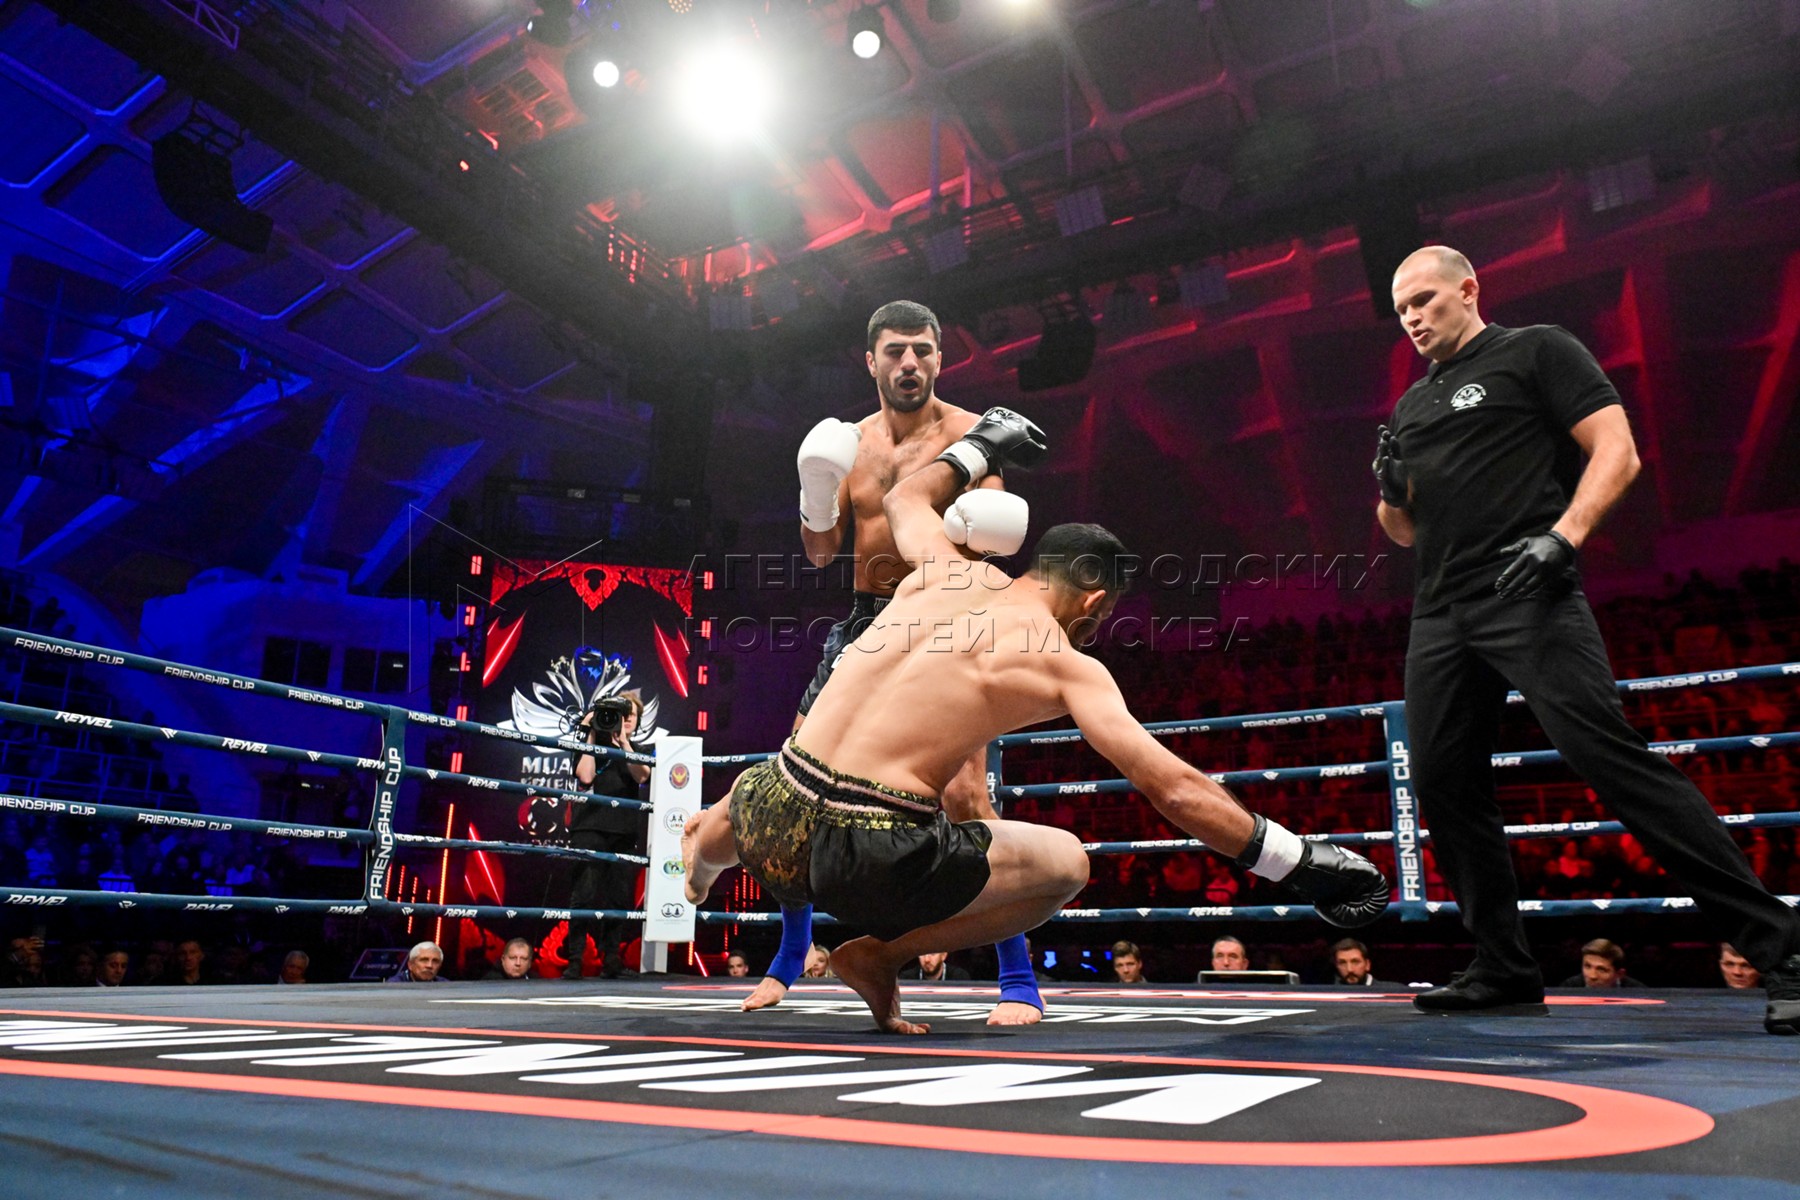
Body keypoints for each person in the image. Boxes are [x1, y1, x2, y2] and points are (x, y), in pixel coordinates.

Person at [684, 427, 1389, 1034]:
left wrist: (979, 446)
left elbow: (904, 499)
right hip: (869, 862)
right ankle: (880, 954)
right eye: (1101, 617)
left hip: (768, 816)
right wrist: (1297, 861)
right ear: (1092, 599)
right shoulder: (1064, 663)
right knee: (1066, 864)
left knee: (770, 785)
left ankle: (704, 859)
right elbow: (1172, 788)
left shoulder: (940, 568)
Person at [1376, 246, 1800, 1034]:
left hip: (1529, 589)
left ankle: (1786, 952)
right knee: (1441, 782)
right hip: (1440, 611)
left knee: (1611, 760)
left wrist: (1564, 537)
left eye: (1425, 300)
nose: (1413, 319)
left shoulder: (1536, 349)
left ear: (1468, 289)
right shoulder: (1410, 405)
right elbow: (1402, 531)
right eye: (1402, 310)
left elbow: (1617, 449)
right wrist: (1390, 490)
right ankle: (1502, 966)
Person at [747, 299, 1029, 1022]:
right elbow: (821, 553)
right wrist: (815, 494)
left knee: (965, 798)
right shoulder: (845, 445)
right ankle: (789, 957)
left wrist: (967, 527)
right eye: (896, 351)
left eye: (923, 350)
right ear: (870, 360)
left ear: (940, 357)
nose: (910, 363)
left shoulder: (972, 435)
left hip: (946, 618)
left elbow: (998, 541)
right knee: (793, 789)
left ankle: (1017, 979)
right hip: (866, 620)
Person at [564, 692, 651, 979]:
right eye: (619, 715)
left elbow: (642, 776)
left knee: (618, 898)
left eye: (630, 715)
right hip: (589, 827)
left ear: (637, 721)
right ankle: (575, 960)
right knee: (584, 896)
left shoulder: (637, 749)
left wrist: (623, 743)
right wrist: (591, 733)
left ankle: (611, 959)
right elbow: (586, 776)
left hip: (623, 830)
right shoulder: (589, 744)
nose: (624, 720)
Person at [1557, 937, 1644, 988]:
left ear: (1619, 974)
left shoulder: (1638, 991)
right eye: (1587, 966)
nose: (1592, 976)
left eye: (1601, 970)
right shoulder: (1569, 987)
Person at [1330, 938, 1398, 988]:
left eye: (1355, 962)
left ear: (1367, 965)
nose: (1350, 969)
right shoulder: (1329, 993)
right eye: (1342, 963)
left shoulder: (1392, 990)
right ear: (1336, 966)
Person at [899, 951, 970, 982]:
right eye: (922, 954)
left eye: (932, 954)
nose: (927, 960)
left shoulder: (959, 977)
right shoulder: (907, 978)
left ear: (943, 955)